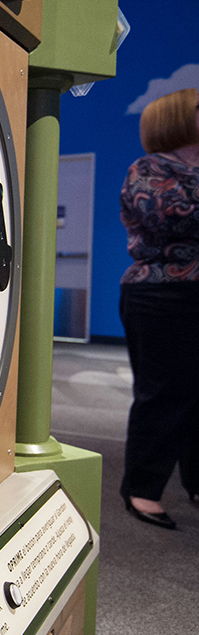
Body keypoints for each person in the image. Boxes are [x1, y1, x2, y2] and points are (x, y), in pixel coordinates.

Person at [118, 86, 199, 529]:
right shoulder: (148, 169)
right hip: (161, 295)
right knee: (164, 395)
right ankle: (142, 489)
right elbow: (169, 214)